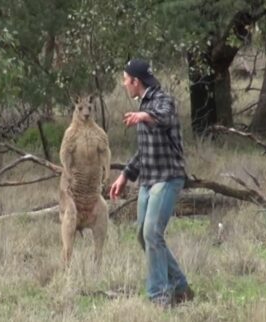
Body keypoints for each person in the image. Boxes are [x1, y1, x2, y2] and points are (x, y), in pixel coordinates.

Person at [109, 59, 194, 307]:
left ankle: (159, 295)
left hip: (168, 177)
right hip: (148, 179)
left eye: (126, 79)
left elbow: (165, 117)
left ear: (136, 81)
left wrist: (144, 116)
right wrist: (125, 176)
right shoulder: (143, 104)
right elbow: (144, 151)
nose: (124, 84)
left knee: (152, 233)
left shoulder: (162, 100)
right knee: (142, 236)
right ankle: (181, 287)